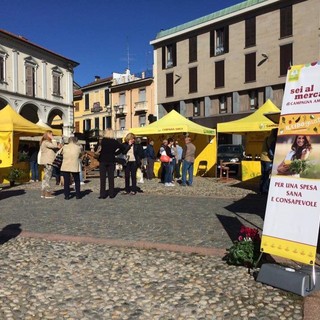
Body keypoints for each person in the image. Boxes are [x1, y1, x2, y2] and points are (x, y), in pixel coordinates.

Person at [98, 129, 128, 199]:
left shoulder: (102, 141)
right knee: (111, 178)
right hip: (111, 160)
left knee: (102, 179)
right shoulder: (114, 142)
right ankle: (111, 194)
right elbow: (123, 148)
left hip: (103, 160)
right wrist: (115, 153)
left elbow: (97, 149)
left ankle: (102, 194)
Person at [39, 130, 59, 199]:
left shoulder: (44, 142)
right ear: (47, 135)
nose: (52, 136)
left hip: (46, 161)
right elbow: (54, 146)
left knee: (45, 177)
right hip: (48, 161)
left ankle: (43, 192)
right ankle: (47, 193)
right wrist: (53, 139)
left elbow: (54, 148)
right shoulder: (46, 142)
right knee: (48, 177)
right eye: (51, 134)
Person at [259, 128, 278, 194]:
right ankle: (265, 190)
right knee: (267, 175)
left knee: (263, 174)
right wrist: (273, 158)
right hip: (268, 159)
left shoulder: (267, 138)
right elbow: (271, 151)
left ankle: (261, 189)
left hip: (262, 158)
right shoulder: (273, 139)